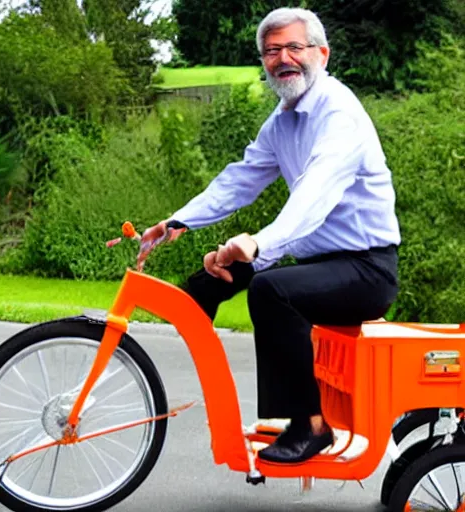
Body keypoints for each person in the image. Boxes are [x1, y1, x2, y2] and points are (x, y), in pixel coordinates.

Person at [137, 7, 401, 464]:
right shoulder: (283, 120)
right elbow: (239, 179)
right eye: (271, 51)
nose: (283, 59)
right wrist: (177, 221)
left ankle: (310, 426)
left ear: (322, 53)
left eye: (294, 48)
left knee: (270, 289)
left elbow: (316, 193)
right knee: (209, 282)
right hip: (324, 264)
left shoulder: (340, 116)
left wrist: (260, 244)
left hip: (366, 270)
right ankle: (157, 353)